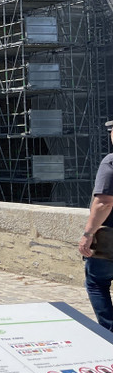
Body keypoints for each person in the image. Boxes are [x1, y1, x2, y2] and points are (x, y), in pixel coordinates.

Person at [78, 119, 113, 331]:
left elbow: (104, 202)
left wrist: (88, 233)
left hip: (110, 238)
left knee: (96, 283)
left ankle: (110, 333)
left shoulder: (110, 162)